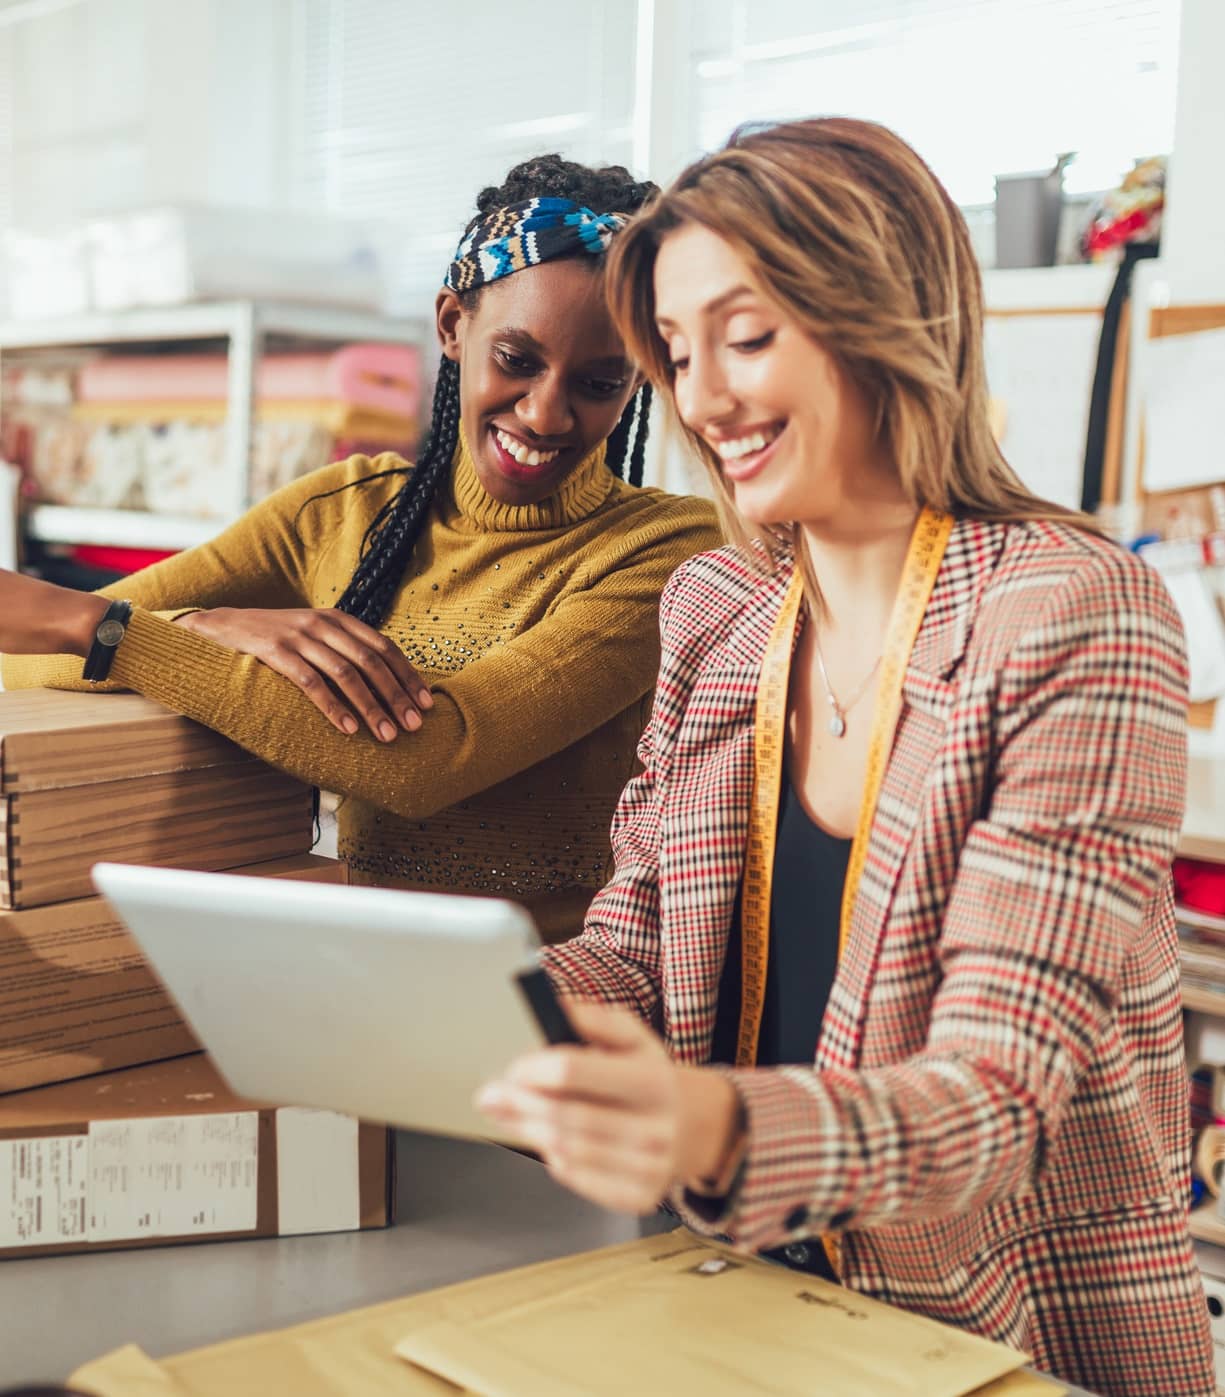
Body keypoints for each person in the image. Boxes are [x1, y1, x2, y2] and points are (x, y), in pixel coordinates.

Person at [476, 119, 1215, 1395]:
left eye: (747, 336)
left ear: (883, 314)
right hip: (731, 1295)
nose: (703, 400)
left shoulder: (1071, 612)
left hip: (995, 1332)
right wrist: (484, 1007)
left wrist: (704, 1126)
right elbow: (637, 944)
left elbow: (993, 1098)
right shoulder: (718, 608)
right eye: (679, 352)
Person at [0, 155, 720, 941]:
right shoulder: (344, 509)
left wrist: (119, 630)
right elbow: (21, 650)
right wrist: (195, 623)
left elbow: (428, 759)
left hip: (555, 1008)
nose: (546, 414)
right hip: (355, 974)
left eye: (599, 382)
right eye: (516, 361)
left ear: (640, 380)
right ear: (452, 325)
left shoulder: (666, 551)